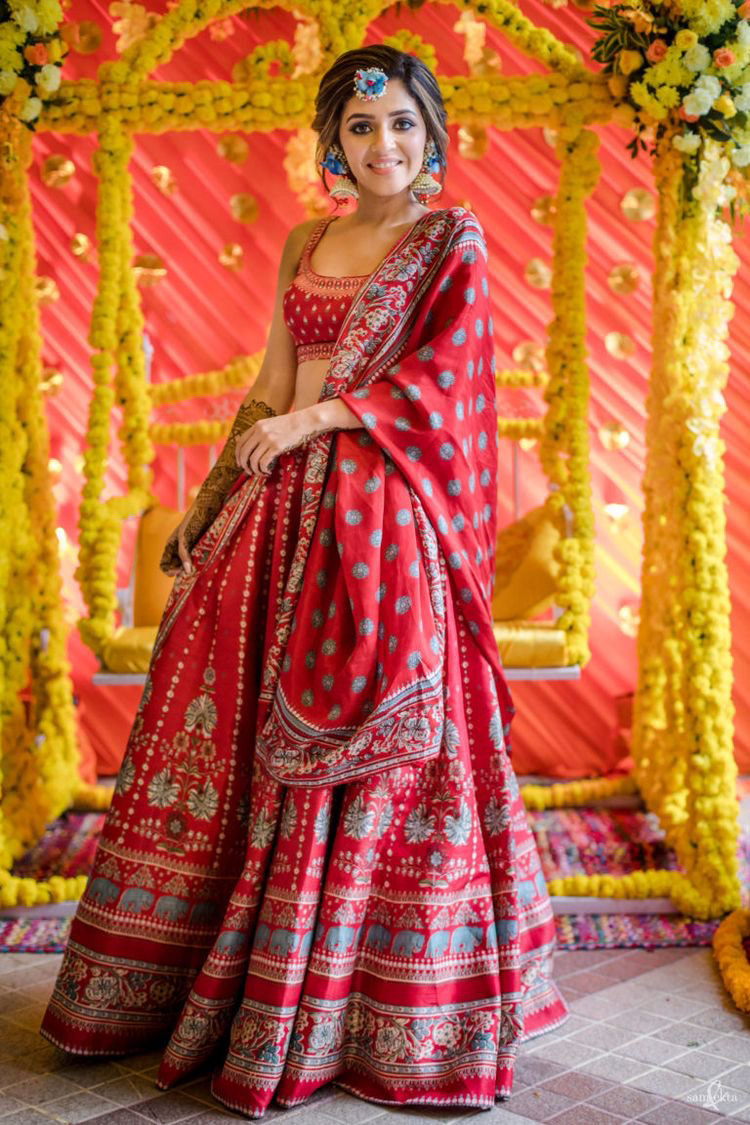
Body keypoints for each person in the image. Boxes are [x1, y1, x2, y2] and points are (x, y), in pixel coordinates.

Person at [41, 44, 568, 1117]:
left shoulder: (448, 240)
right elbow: (270, 382)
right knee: (229, 731)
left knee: (381, 751)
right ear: (333, 141)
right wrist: (207, 503)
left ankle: (374, 1011)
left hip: (384, 524)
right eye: (362, 127)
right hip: (278, 512)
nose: (385, 145)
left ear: (432, 134)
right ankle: (240, 987)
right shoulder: (306, 239)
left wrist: (320, 420)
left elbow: (445, 383)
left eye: (404, 124)